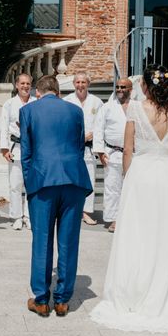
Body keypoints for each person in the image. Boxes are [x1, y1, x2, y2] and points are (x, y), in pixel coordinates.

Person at [90, 65, 168, 332]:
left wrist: (128, 178)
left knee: (137, 235)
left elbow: (128, 150)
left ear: (145, 86)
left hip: (141, 175)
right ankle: (163, 294)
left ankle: (134, 293)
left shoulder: (135, 108)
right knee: (165, 237)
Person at [20, 75, 92, 318]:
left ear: (38, 92)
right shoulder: (75, 111)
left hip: (43, 180)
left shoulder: (28, 110)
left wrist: (31, 183)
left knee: (42, 239)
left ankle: (41, 300)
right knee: (69, 240)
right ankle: (62, 300)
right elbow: (79, 146)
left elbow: (26, 152)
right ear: (58, 92)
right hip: (73, 179)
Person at [64, 72, 103, 225]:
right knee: (71, 180)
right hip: (72, 147)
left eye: (83, 82)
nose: (80, 85)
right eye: (78, 82)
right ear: (74, 84)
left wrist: (92, 135)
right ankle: (71, 210)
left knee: (89, 179)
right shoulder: (67, 101)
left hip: (89, 147)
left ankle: (86, 212)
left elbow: (101, 124)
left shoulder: (97, 102)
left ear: (88, 84)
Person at [93, 78, 132, 233]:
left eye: (123, 87)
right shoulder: (107, 107)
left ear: (131, 89)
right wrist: (100, 152)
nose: (120, 89)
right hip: (112, 152)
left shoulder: (137, 107)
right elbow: (98, 130)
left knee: (130, 188)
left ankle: (129, 218)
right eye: (118, 87)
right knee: (112, 187)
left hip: (133, 153)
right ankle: (113, 219)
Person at [0, 73, 36, 230]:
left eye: (28, 84)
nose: (25, 86)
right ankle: (16, 216)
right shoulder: (9, 104)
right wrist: (4, 148)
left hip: (33, 149)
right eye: (22, 83)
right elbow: (3, 126)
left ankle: (28, 216)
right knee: (15, 185)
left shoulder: (36, 103)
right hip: (15, 148)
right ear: (16, 85)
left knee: (31, 186)